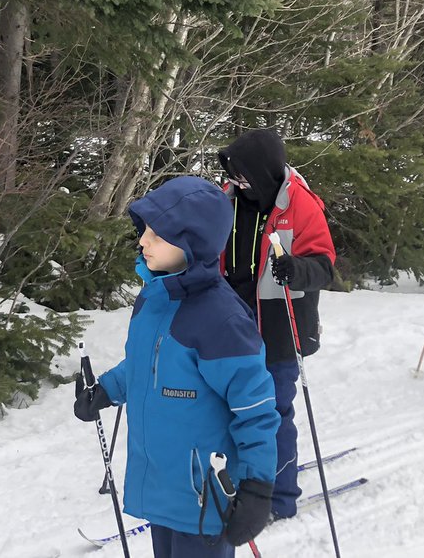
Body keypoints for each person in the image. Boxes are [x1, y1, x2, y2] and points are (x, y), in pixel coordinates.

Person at [73, 176, 280, 558]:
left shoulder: (222, 320)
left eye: (156, 234)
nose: (142, 241)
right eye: (144, 231)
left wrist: (256, 487)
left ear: (192, 242)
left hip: (203, 498)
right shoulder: (155, 297)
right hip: (161, 488)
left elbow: (256, 411)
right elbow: (146, 364)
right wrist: (105, 390)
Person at [216, 129, 336, 521]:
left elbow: (324, 265)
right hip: (232, 322)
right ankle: (243, 484)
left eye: (243, 176)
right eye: (233, 176)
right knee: (235, 410)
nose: (237, 183)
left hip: (280, 326)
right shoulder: (227, 198)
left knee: (274, 413)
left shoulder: (299, 204)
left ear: (263, 173)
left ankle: (280, 497)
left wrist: (296, 269)